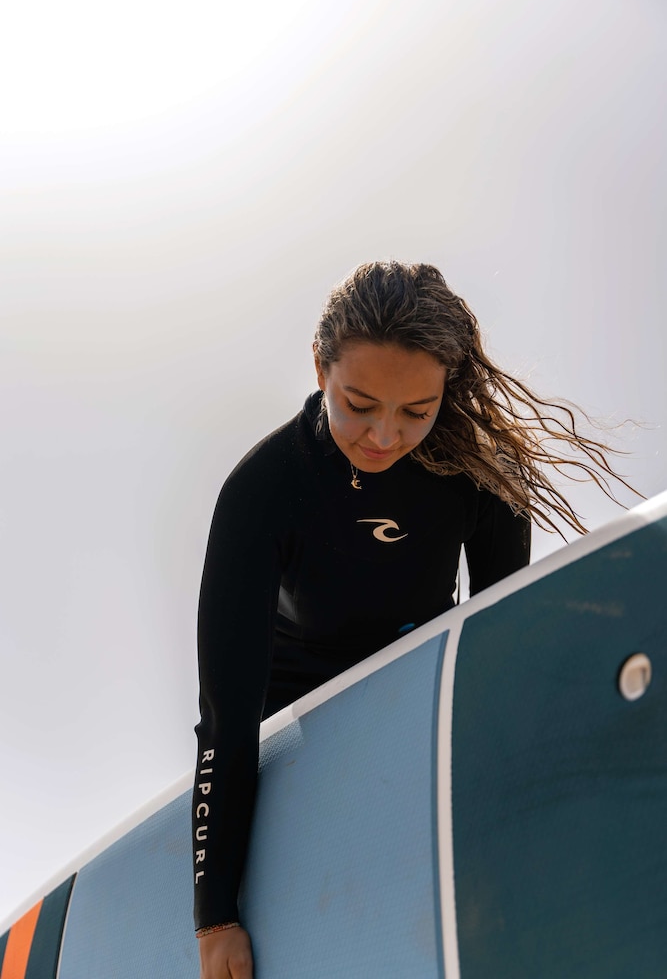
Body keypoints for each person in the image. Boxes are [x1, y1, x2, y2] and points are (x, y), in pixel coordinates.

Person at [192, 261, 635, 978]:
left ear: (446, 392)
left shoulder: (481, 473)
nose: (383, 435)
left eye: (416, 412)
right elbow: (226, 717)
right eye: (358, 404)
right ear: (319, 368)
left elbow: (498, 645)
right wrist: (215, 918)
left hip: (418, 690)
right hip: (294, 711)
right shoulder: (262, 491)